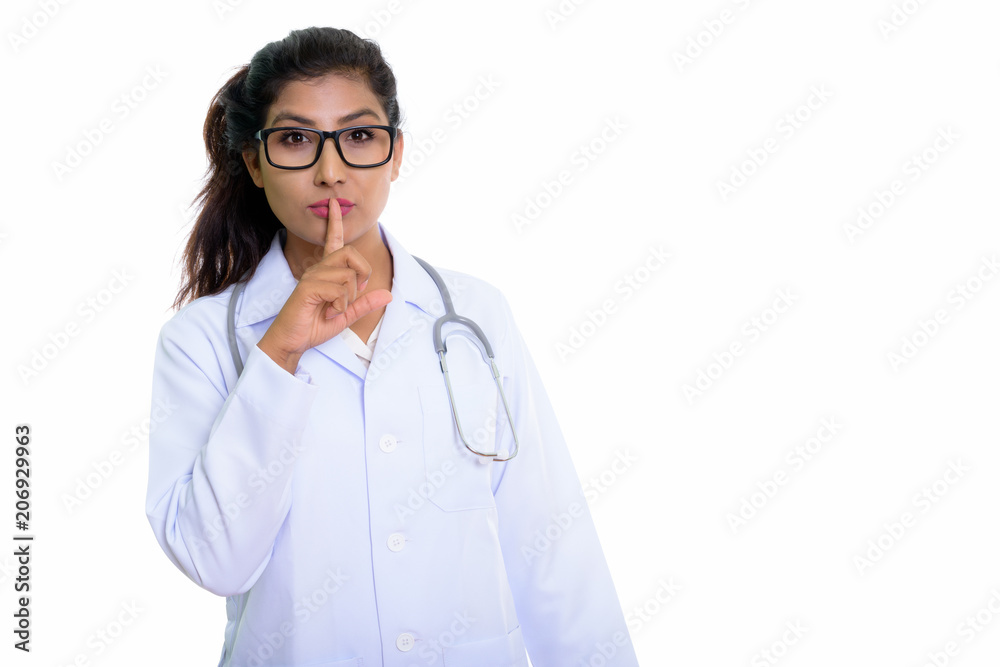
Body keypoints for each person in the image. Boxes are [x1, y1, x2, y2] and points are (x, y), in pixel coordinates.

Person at [145, 26, 639, 667]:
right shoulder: (201, 340)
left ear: (396, 153)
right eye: (295, 139)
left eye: (358, 137)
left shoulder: (475, 315)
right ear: (255, 163)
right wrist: (281, 350)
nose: (330, 172)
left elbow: (549, 541)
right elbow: (216, 562)